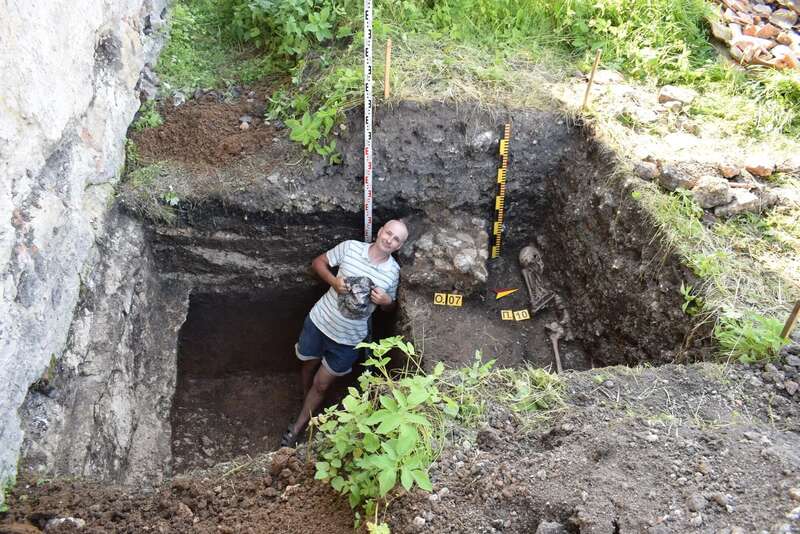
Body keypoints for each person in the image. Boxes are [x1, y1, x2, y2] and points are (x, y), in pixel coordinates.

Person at [281, 219, 409, 447]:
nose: (389, 239)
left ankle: (297, 426)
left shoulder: (393, 272)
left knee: (321, 385)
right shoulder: (350, 248)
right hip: (319, 323)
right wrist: (333, 281)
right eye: (388, 233)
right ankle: (305, 399)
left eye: (396, 239)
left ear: (399, 246)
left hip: (349, 340)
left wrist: (386, 301)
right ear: (380, 231)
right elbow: (318, 262)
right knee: (308, 365)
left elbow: (390, 307)